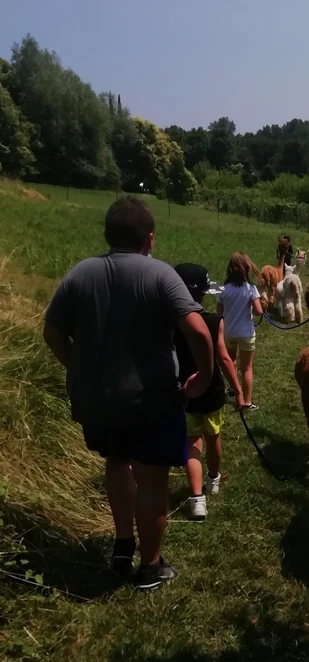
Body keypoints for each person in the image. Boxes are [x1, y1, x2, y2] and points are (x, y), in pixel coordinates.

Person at [43, 197, 213, 591]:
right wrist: (202, 378)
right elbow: (199, 331)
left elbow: (52, 331)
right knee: (153, 478)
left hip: (96, 402)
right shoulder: (160, 275)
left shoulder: (79, 274)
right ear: (149, 239)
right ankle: (150, 567)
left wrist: (78, 368)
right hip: (150, 401)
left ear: (107, 235)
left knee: (117, 462)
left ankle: (122, 546)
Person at [173, 263, 246, 521]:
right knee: (214, 435)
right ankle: (213, 479)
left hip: (185, 390)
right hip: (212, 389)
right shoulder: (214, 322)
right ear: (204, 294)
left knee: (192, 441)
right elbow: (225, 359)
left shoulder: (172, 322)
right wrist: (238, 391)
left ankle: (197, 500)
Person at [216, 253, 263, 411]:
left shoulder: (224, 290)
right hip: (246, 333)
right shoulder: (251, 289)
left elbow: (219, 314)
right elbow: (258, 311)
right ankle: (247, 401)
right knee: (247, 368)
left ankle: (233, 389)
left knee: (231, 361)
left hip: (229, 332)